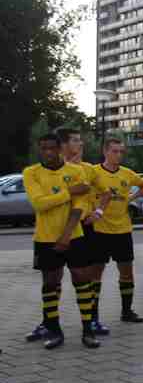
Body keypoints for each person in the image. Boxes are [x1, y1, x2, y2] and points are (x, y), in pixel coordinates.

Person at [23, 132, 100, 350]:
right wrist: (70, 191)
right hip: (45, 238)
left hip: (74, 236)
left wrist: (66, 235)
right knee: (50, 283)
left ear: (59, 149)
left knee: (82, 279)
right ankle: (54, 330)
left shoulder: (75, 171)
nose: (48, 152)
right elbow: (39, 204)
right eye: (43, 148)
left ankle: (88, 330)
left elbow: (80, 206)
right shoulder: (31, 173)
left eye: (52, 148)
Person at [88, 137, 143, 326]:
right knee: (96, 274)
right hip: (99, 230)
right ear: (105, 151)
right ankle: (92, 315)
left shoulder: (127, 173)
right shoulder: (93, 172)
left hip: (123, 230)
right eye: (114, 151)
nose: (118, 155)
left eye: (121, 152)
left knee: (127, 273)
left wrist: (131, 197)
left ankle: (126, 311)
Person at [56, 127, 111, 337]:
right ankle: (48, 323)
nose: (81, 144)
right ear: (62, 145)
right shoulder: (51, 169)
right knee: (52, 277)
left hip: (84, 228)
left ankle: (92, 320)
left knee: (86, 276)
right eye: (76, 140)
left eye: (80, 140)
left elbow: (106, 193)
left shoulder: (88, 169)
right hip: (55, 228)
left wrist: (98, 212)